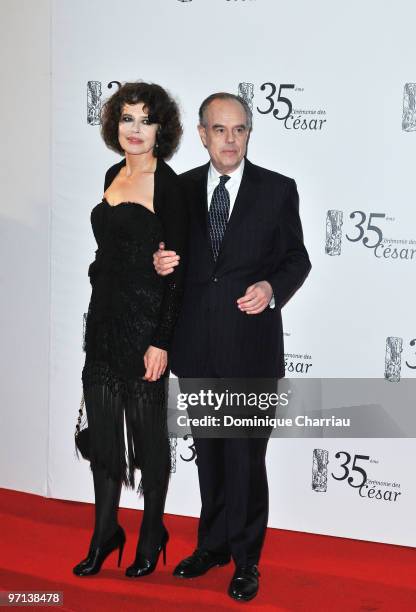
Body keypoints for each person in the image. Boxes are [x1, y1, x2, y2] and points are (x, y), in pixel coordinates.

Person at [154, 92, 311, 601]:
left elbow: (297, 260)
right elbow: (167, 257)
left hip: (250, 350)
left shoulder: (277, 190)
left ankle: (247, 561)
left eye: (239, 129)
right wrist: (159, 263)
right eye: (219, 129)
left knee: (246, 460)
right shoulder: (177, 190)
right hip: (197, 348)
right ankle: (213, 546)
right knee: (209, 458)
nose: (230, 139)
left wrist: (270, 290)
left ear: (248, 134)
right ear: (202, 134)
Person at [73, 82, 187, 578]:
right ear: (114, 125)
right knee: (104, 439)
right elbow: (108, 253)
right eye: (127, 119)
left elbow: (177, 271)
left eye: (145, 120)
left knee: (148, 442)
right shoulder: (110, 174)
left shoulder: (172, 185)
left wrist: (162, 339)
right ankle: (104, 533)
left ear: (161, 129)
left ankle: (151, 531)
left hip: (145, 328)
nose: (135, 130)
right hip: (103, 322)